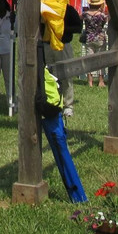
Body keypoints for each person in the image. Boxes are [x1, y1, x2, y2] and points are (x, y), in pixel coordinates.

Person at [36, 66, 86, 203]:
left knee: (60, 147)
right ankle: (78, 196)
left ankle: (78, 196)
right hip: (52, 109)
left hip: (51, 112)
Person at [39, 0, 78, 117]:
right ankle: (53, 101)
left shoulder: (68, 9)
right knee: (49, 75)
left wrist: (61, 29)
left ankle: (68, 105)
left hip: (63, 45)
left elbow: (78, 26)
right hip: (47, 45)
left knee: (66, 75)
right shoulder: (44, 8)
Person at [81, 0, 109, 88]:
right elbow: (105, 22)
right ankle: (101, 81)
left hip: (89, 38)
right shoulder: (102, 15)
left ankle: (90, 81)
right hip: (100, 38)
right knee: (101, 60)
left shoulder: (85, 14)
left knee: (89, 59)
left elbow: (80, 19)